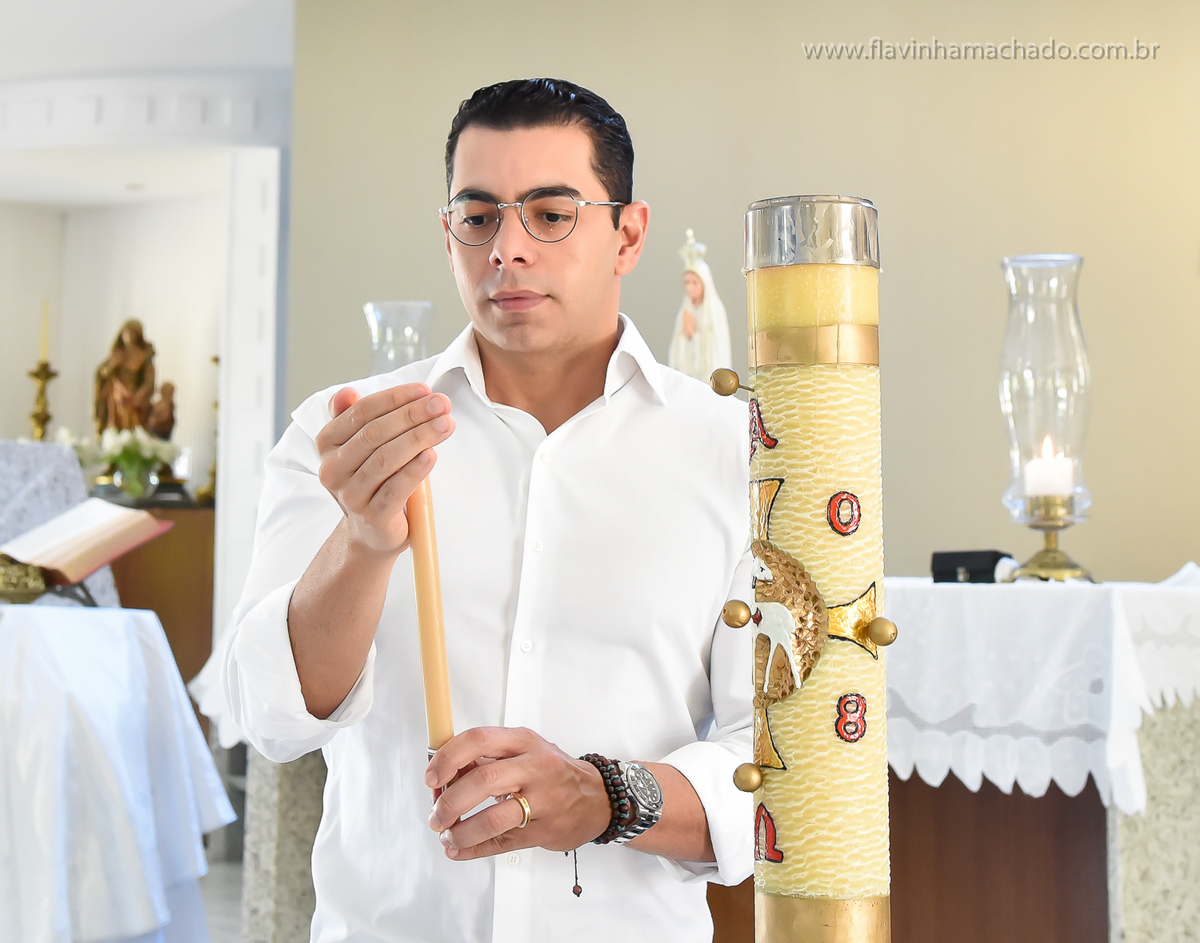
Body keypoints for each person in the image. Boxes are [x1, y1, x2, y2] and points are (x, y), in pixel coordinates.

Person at [222, 78, 752, 943]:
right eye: (478, 217)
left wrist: (604, 796)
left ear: (628, 234)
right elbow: (269, 716)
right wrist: (363, 544)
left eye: (551, 214)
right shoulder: (344, 434)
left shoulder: (737, 454)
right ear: (449, 235)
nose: (507, 249)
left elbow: (776, 765)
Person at [667, 230, 732, 382]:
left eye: (694, 282)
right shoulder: (685, 312)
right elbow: (676, 350)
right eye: (686, 282)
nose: (689, 287)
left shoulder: (714, 310)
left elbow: (717, 350)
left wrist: (695, 335)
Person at [93, 319, 156, 433]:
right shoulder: (118, 353)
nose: (129, 336)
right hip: (116, 395)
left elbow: (149, 380)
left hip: (133, 395)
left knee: (132, 422)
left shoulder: (143, 355)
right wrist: (112, 365)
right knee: (114, 420)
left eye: (133, 333)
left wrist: (139, 395)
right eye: (127, 332)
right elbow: (102, 373)